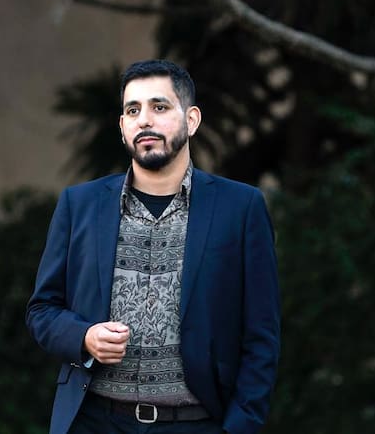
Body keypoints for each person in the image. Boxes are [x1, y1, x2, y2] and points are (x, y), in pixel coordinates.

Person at [26, 59, 280, 434]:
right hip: (95, 421)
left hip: (196, 424)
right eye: (133, 110)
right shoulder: (79, 205)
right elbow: (42, 310)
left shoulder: (241, 208)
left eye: (159, 107)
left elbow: (261, 335)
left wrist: (239, 426)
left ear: (191, 120)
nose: (144, 120)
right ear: (122, 126)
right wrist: (84, 337)